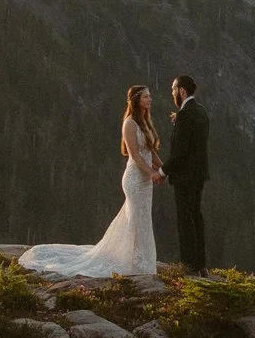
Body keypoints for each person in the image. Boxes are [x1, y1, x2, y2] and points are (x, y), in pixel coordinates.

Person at [19, 85, 165, 279]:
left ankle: (141, 261)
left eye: (150, 96)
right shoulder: (129, 124)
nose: (150, 99)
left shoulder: (145, 122)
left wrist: (162, 168)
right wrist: (151, 172)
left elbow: (150, 151)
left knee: (142, 219)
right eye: (146, 97)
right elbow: (135, 155)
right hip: (135, 179)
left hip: (145, 180)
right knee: (137, 219)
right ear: (137, 100)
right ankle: (137, 263)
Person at [163, 73, 210, 274]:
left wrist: (162, 171)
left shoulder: (184, 115)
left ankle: (189, 265)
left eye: (174, 89)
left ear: (182, 91)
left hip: (185, 176)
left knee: (185, 219)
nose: (172, 93)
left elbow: (180, 152)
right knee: (196, 217)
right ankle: (200, 264)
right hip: (199, 174)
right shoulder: (201, 111)